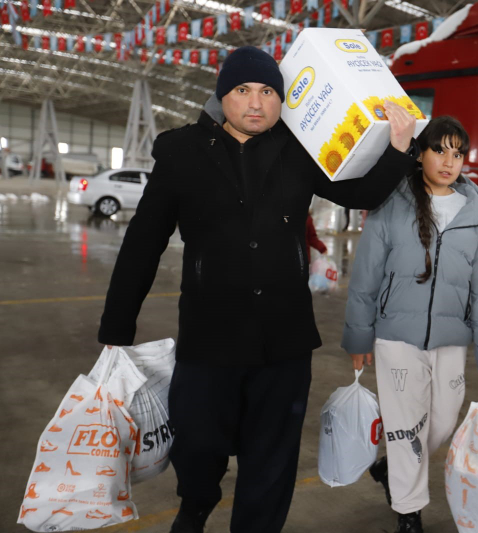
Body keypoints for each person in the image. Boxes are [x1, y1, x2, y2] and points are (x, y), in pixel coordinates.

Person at [98, 46, 418, 533]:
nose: (256, 102)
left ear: (280, 99)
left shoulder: (298, 149)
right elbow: (144, 241)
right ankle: (196, 503)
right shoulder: (182, 151)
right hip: (210, 335)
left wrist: (398, 148)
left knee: (272, 458)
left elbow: (360, 194)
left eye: (269, 91)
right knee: (199, 443)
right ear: (223, 94)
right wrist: (117, 325)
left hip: (284, 341)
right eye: (244, 90)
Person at [341, 116, 478, 533]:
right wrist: (359, 335)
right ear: (420, 152)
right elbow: (366, 277)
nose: (450, 161)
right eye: (439, 150)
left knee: (443, 421)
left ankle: (390, 465)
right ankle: (408, 511)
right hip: (396, 335)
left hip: (452, 338)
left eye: (458, 152)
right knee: (404, 423)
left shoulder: (476, 214)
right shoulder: (392, 203)